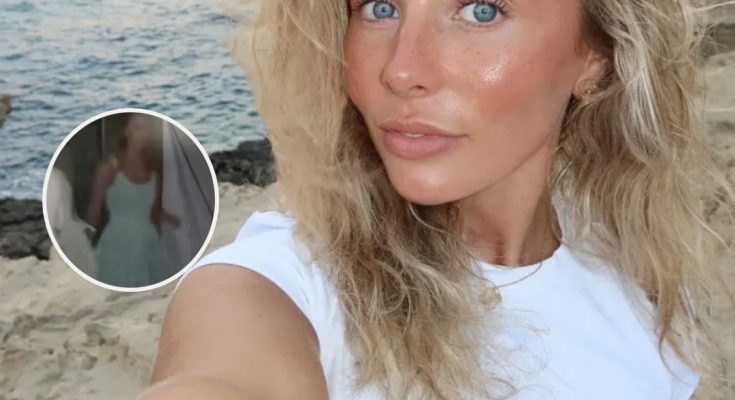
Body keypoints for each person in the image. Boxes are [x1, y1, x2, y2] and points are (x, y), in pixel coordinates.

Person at [140, 1, 735, 399]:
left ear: (597, 56)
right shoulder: (278, 287)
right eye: (379, 6)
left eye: (481, 10)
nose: (401, 70)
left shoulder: (636, 268)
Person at [86, 113, 180, 288]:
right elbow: (93, 210)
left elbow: (155, 213)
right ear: (126, 131)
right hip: (117, 243)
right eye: (136, 127)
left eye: (146, 129)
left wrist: (178, 221)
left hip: (148, 243)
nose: (141, 134)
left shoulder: (155, 172)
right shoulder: (109, 167)